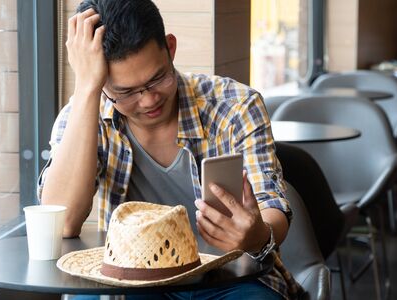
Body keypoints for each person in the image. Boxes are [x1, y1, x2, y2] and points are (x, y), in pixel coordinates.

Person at [38, 0, 300, 299]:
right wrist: (86, 89)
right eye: (125, 92)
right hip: (136, 281)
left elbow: (272, 206)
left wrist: (256, 235)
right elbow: (62, 223)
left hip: (231, 277)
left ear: (170, 48)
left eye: (158, 78)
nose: (148, 100)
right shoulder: (84, 116)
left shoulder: (235, 106)